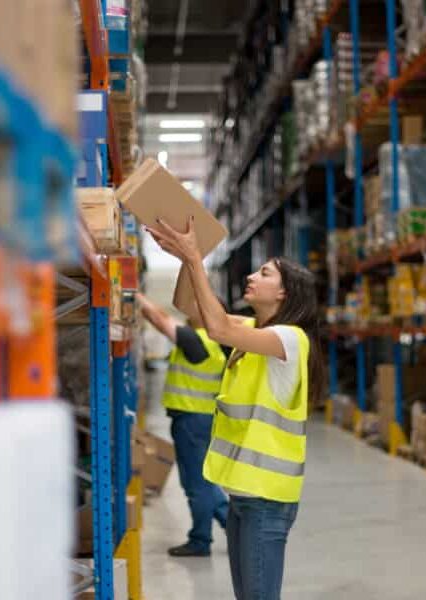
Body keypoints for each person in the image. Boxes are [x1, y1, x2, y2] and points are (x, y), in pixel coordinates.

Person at [146, 217, 324, 600]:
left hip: (267, 499)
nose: (252, 278)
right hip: (244, 495)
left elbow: (219, 330)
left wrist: (196, 258)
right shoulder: (255, 331)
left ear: (285, 294)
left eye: (264, 273)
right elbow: (191, 308)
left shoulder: (290, 340)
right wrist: (185, 258)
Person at [136, 292, 230, 557]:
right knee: (200, 482)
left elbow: (159, 318)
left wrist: (134, 292)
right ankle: (225, 530)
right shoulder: (210, 343)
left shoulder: (199, 342)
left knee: (197, 485)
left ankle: (205, 539)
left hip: (192, 420)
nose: (191, 310)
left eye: (198, 306)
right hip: (196, 419)